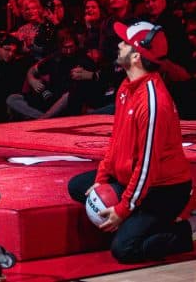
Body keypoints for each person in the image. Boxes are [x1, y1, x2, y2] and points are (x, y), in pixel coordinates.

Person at [67, 21, 194, 263]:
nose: (119, 45)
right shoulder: (126, 87)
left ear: (136, 56)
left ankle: (179, 234)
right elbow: (116, 143)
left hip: (163, 189)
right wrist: (102, 180)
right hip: (135, 176)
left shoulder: (153, 102)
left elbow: (148, 168)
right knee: (79, 186)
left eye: (125, 43)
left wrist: (122, 210)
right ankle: (131, 221)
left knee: (124, 251)